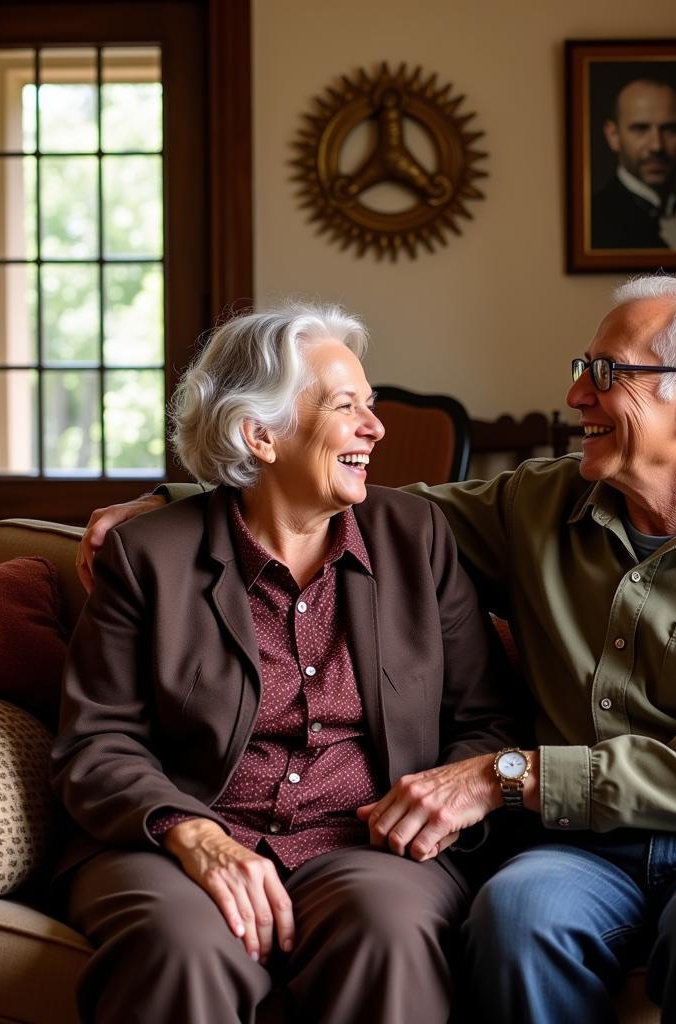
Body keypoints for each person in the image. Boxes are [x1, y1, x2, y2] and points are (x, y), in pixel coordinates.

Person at [78, 276, 676, 1024]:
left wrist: (515, 775)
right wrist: (170, 506)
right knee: (515, 915)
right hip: (596, 844)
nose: (576, 394)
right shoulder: (540, 503)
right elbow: (329, 504)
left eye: (606, 373)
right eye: (583, 368)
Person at [51, 302, 520, 1024]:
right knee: (182, 947)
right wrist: (192, 834)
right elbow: (96, 743)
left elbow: (485, 717)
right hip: (183, 838)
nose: (376, 427)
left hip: (365, 842)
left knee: (388, 932)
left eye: (372, 404)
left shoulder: (416, 537)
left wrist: (445, 801)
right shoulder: (149, 558)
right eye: (346, 406)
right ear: (258, 435)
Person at [590, 77, 676, 250]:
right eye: (640, 129)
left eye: (670, 129)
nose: (657, 145)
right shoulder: (590, 220)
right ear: (613, 135)